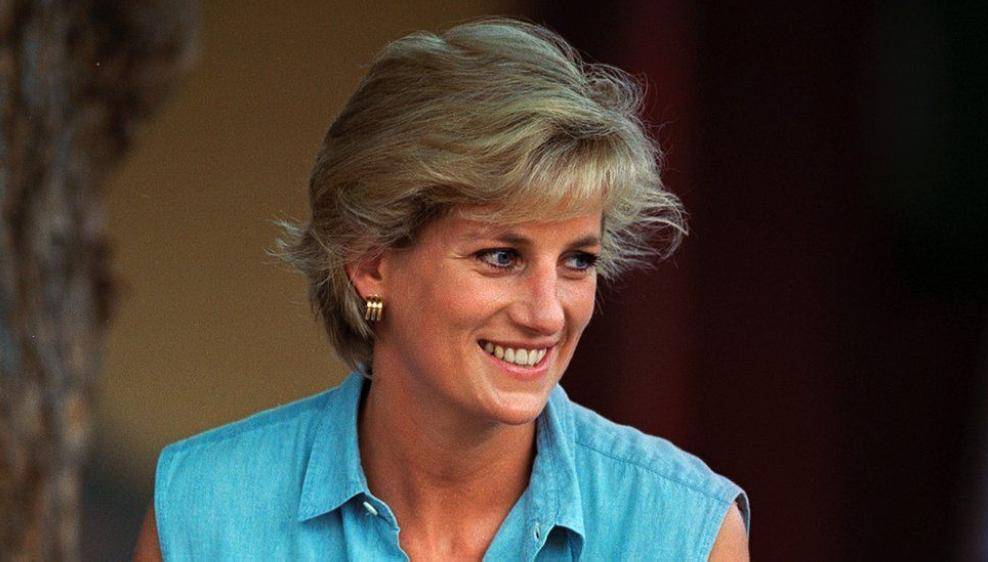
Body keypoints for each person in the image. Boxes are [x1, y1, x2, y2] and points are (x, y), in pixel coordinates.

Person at [134, 18, 749, 561]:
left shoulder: (682, 533)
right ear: (370, 263)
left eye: (577, 261)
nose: (547, 314)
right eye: (501, 257)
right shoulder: (205, 511)